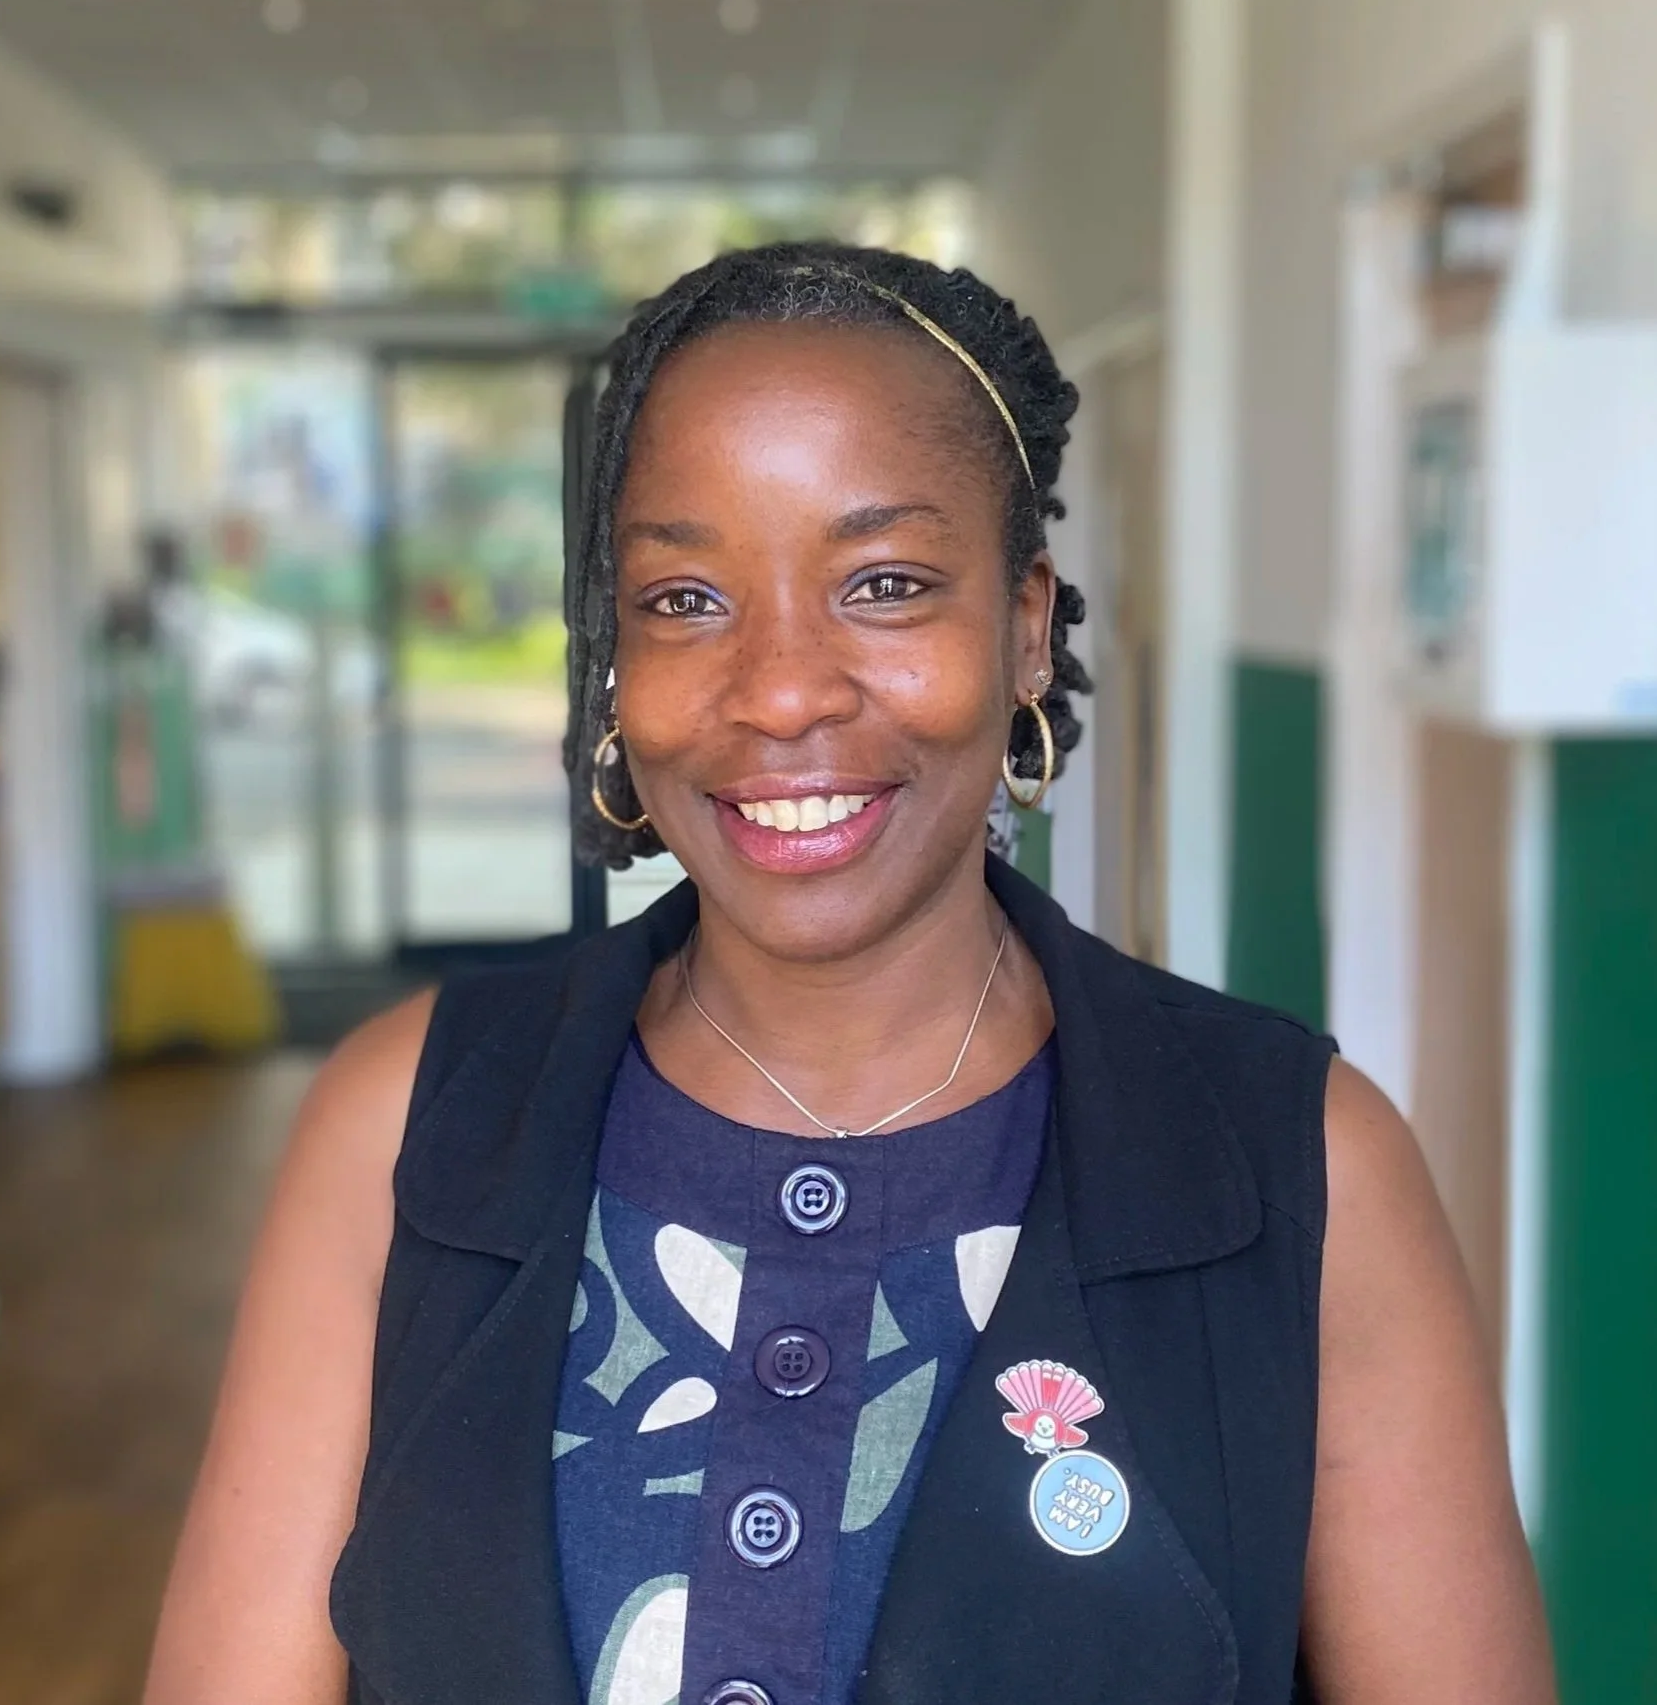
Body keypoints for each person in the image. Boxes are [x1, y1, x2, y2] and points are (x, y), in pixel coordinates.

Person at [145, 245, 1553, 1705]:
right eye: (683, 598)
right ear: (611, 660)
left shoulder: (1296, 1165)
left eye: (881, 584)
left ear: (1021, 626)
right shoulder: (407, 1121)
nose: (779, 688)